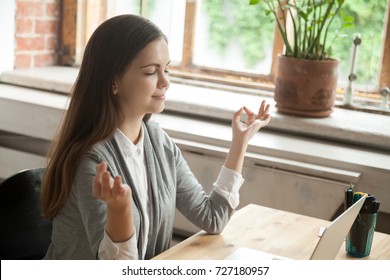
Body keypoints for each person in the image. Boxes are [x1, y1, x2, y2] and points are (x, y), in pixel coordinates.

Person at [41, 14, 271, 260]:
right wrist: (121, 210)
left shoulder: (158, 142)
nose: (165, 82)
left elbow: (212, 217)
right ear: (114, 81)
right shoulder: (93, 163)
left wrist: (240, 142)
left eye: (167, 69)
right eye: (151, 72)